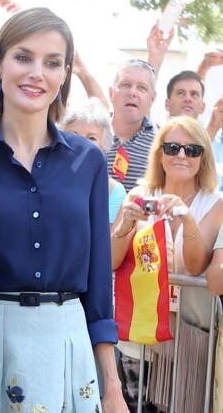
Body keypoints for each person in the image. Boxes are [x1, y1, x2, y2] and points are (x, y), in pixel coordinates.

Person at [0, 8, 127, 412]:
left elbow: (96, 281)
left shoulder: (88, 161)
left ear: (64, 75)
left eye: (52, 63)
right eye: (24, 57)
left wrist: (112, 386)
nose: (37, 72)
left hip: (66, 344)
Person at [111, 116, 223, 412]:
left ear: (204, 157)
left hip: (190, 334)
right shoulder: (138, 196)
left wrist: (187, 220)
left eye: (193, 149)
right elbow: (111, 260)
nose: (182, 155)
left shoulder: (216, 203)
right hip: (141, 333)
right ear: (159, 153)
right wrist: (127, 223)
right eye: (172, 147)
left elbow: (198, 266)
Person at [60, 98, 127, 223]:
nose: (81, 144)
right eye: (73, 135)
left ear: (104, 146)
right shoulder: (46, 176)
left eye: (91, 138)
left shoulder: (114, 191)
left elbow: (108, 240)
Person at [107, 58, 158, 192]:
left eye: (141, 88)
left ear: (152, 98)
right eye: (125, 85)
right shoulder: (89, 133)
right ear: (111, 93)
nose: (132, 93)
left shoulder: (163, 142)